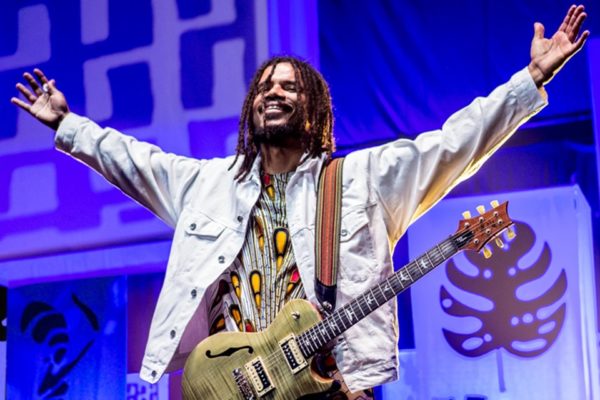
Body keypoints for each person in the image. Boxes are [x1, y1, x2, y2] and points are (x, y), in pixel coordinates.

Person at [10, 5, 589, 398]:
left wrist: (530, 79)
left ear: (314, 109)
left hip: (325, 388)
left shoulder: (363, 180)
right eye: (265, 87)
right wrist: (69, 126)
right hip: (229, 386)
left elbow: (454, 144)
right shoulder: (205, 185)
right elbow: (133, 160)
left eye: (289, 86)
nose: (273, 92)